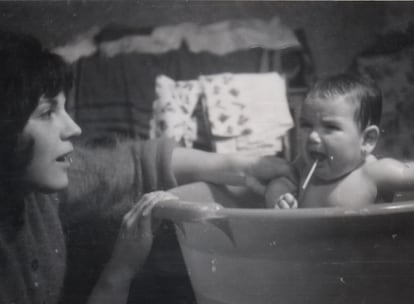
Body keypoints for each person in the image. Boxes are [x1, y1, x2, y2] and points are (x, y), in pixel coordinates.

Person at [0, 29, 294, 304]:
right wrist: (120, 271)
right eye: (47, 112)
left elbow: (131, 165)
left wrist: (237, 163)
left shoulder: (35, 187)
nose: (73, 128)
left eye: (65, 109)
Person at [265, 73, 414, 209]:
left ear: (367, 140)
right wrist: (279, 199)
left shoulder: (373, 173)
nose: (312, 136)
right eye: (306, 125)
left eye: (330, 127)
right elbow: (279, 183)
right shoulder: (303, 167)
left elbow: (407, 174)